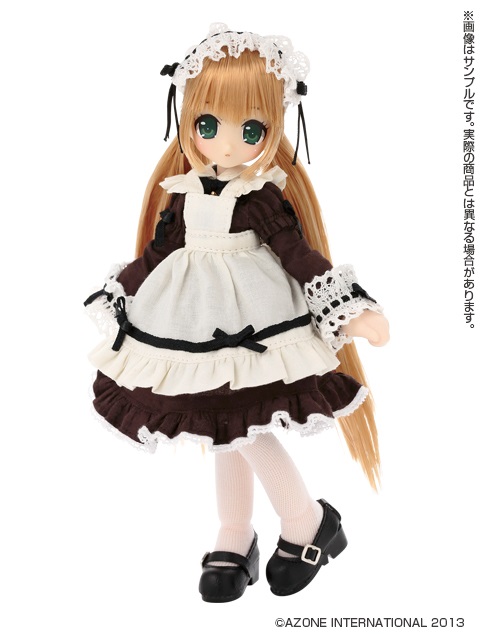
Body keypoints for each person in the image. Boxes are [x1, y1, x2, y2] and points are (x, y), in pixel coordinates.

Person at [85, 24, 389, 603]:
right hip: (188, 324)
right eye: (208, 125)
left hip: (256, 325)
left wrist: (349, 311)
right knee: (220, 424)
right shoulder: (184, 189)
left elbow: (298, 255)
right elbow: (159, 252)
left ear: (274, 126)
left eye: (250, 130)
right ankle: (235, 531)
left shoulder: (261, 197)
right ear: (187, 118)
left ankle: (306, 521)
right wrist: (120, 291)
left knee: (242, 422)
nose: (225, 146)